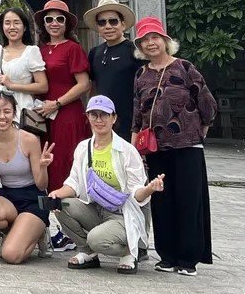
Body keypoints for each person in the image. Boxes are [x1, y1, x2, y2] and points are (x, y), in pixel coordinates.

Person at [132, 16, 217, 277]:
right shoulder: (141, 74)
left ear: (166, 41)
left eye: (155, 37)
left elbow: (206, 101)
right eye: (145, 40)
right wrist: (135, 141)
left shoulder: (184, 67)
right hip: (156, 148)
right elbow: (138, 110)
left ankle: (188, 257)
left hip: (187, 145)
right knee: (162, 200)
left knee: (188, 200)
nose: (151, 43)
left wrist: (203, 127)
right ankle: (167, 255)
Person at [48, 95, 165, 274]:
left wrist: (150, 189)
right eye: (94, 115)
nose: (99, 120)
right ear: (87, 117)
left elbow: (137, 193)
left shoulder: (126, 151)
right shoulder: (83, 148)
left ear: (114, 118)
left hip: (123, 214)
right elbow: (74, 183)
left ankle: (130, 251)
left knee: (96, 239)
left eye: (104, 115)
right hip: (96, 209)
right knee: (61, 205)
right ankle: (88, 252)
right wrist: (56, 194)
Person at [0, 90, 54, 263]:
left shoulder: (29, 139)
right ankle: (14, 232)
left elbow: (41, 184)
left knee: (11, 255)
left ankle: (39, 232)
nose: (2, 116)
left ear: (14, 113)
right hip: (8, 197)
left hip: (33, 198)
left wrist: (43, 167)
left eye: (7, 111)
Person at [34, 0, 91, 250]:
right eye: (49, 19)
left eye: (60, 19)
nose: (54, 23)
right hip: (43, 118)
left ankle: (71, 229)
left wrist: (56, 103)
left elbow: (83, 84)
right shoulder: (39, 49)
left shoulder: (72, 49)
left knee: (68, 167)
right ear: (43, 24)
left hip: (67, 115)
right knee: (50, 168)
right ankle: (56, 226)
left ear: (67, 23)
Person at [84, 0, 138, 140]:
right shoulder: (95, 52)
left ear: (123, 24)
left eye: (113, 21)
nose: (108, 26)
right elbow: (93, 86)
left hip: (130, 121)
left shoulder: (135, 51)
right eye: (102, 22)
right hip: (102, 121)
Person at [0, 7, 48, 121]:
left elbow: (43, 86)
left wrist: (12, 86)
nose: (12, 27)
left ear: (24, 27)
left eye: (17, 23)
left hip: (23, 111)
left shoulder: (31, 52)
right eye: (7, 23)